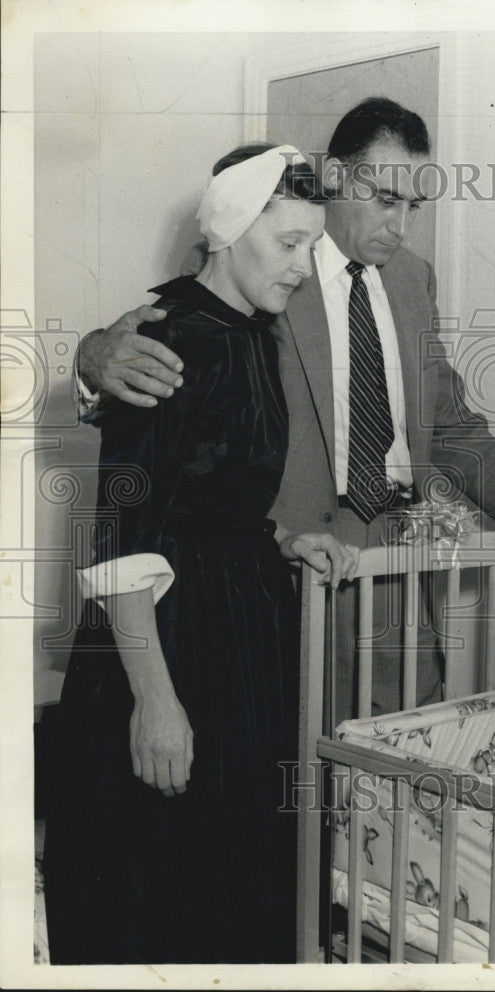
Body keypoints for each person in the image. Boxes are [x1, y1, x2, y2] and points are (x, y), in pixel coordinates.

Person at [76, 98, 495, 723]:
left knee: (403, 760)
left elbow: (452, 429)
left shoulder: (414, 280)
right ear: (333, 176)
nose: (400, 226)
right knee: (300, 776)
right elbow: (172, 352)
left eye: (412, 206)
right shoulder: (268, 263)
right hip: (284, 570)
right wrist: (91, 362)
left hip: (394, 566)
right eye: (385, 199)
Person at [43, 143, 360, 964]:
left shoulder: (253, 329)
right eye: (286, 243)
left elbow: (213, 497)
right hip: (168, 642)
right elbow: (121, 541)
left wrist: (286, 539)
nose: (299, 267)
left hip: (239, 628)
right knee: (161, 881)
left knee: (241, 870)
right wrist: (154, 701)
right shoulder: (166, 342)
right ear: (227, 233)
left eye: (309, 247)